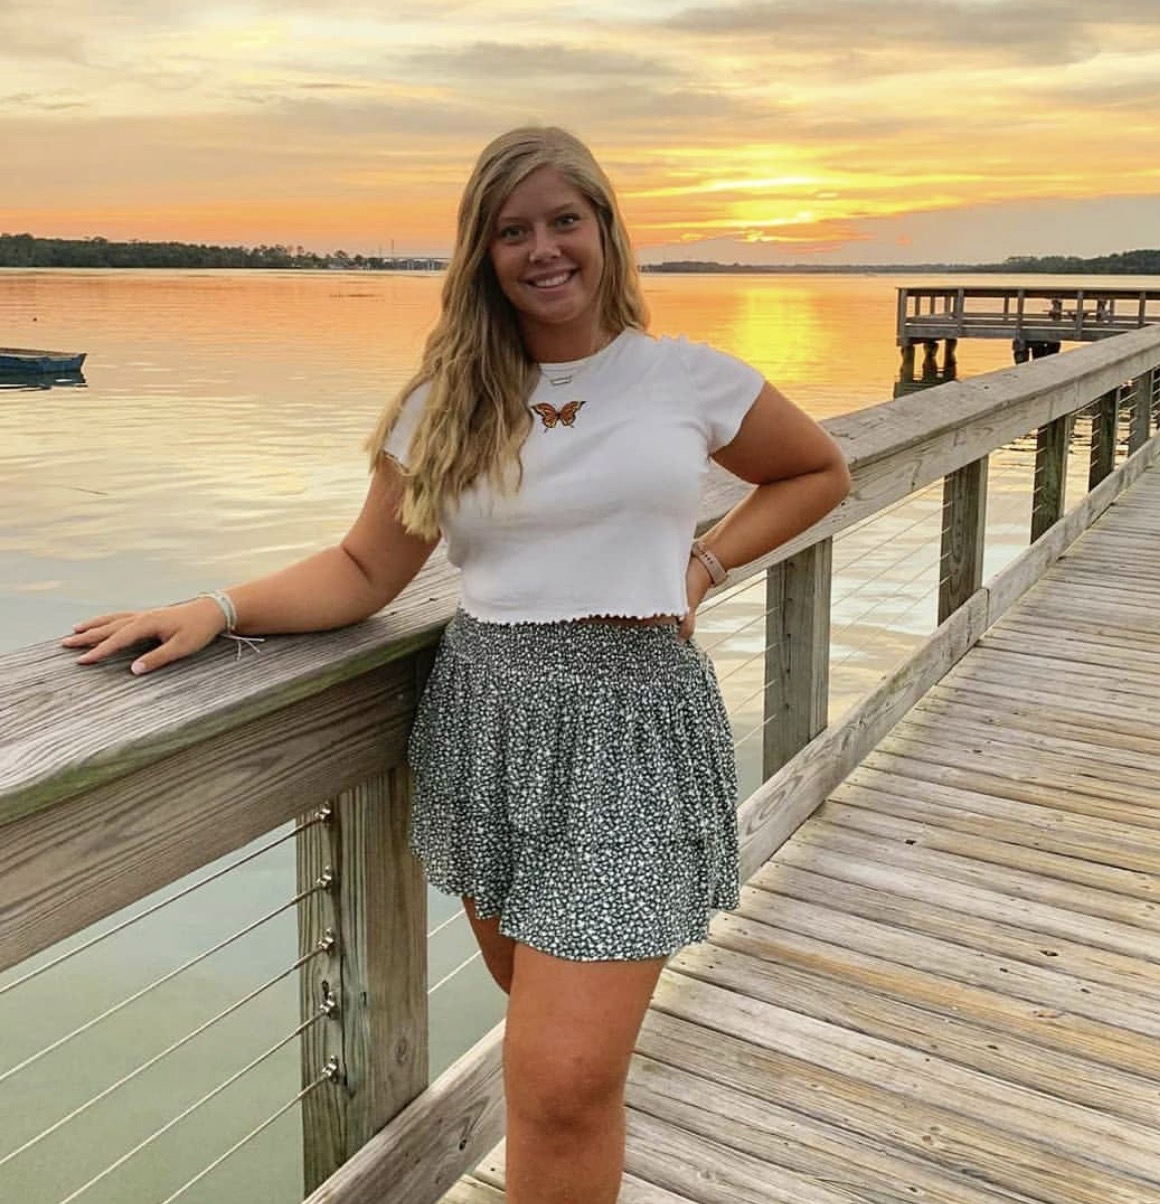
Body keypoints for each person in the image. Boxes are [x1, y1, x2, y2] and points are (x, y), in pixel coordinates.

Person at [63, 126, 850, 1203]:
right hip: (488, 729)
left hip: (632, 733)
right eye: (512, 231)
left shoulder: (686, 377)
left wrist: (704, 563)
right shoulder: (447, 402)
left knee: (561, 1080)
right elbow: (362, 567)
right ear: (482, 253)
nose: (543, 249)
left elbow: (815, 470)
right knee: (552, 1057)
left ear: (606, 229)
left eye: (564, 220)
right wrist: (216, 607)